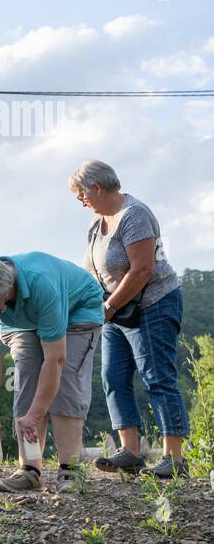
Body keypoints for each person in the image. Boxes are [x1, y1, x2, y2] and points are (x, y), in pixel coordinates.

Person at [71, 160, 188, 478]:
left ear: (96, 187)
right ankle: (131, 452)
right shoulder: (97, 225)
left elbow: (142, 270)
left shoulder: (134, 214)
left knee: (158, 378)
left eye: (81, 194)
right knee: (113, 377)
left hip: (153, 304)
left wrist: (107, 307)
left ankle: (173, 459)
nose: (80, 201)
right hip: (114, 311)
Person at [0, 253, 104, 493]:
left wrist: (35, 414)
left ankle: (71, 470)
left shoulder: (41, 283)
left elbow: (56, 359)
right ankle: (29, 471)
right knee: (25, 378)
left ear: (2, 294)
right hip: (22, 320)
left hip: (77, 309)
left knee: (66, 385)